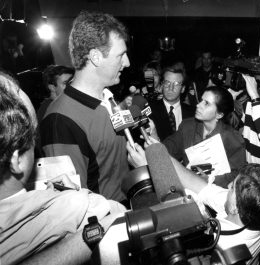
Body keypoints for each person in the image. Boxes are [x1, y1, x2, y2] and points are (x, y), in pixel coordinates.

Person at [0, 76, 126, 265]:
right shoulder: (77, 206)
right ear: (17, 160)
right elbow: (122, 216)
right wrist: (74, 196)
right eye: (32, 139)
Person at [126, 140, 260, 265]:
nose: (228, 186)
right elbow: (198, 185)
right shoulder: (258, 209)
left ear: (235, 208)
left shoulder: (214, 244)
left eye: (232, 188)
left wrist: (147, 171)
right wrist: (160, 158)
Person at [40, 11, 131, 202]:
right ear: (96, 57)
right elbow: (70, 202)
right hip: (107, 224)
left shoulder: (109, 99)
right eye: (121, 55)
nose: (127, 63)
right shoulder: (60, 120)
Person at [163, 86, 246, 186]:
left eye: (206, 103)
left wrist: (212, 179)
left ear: (219, 115)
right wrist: (154, 143)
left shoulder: (232, 138)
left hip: (217, 192)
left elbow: (238, 174)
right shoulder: (187, 126)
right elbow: (168, 147)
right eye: (201, 100)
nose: (198, 105)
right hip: (188, 187)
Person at [149, 66, 195, 141]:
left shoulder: (193, 113)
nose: (171, 88)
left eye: (176, 84)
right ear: (162, 85)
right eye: (167, 82)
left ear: (183, 89)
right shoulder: (150, 111)